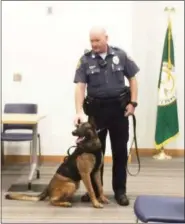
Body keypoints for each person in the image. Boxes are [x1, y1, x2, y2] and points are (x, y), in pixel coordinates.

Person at [73, 26, 139, 206]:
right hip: (96, 113)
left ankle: (120, 191)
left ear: (106, 38)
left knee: (120, 152)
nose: (94, 44)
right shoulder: (85, 60)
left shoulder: (121, 55)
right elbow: (80, 86)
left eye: (97, 40)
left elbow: (132, 79)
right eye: (91, 41)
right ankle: (94, 191)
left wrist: (133, 103)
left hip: (119, 111)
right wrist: (79, 111)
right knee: (95, 153)